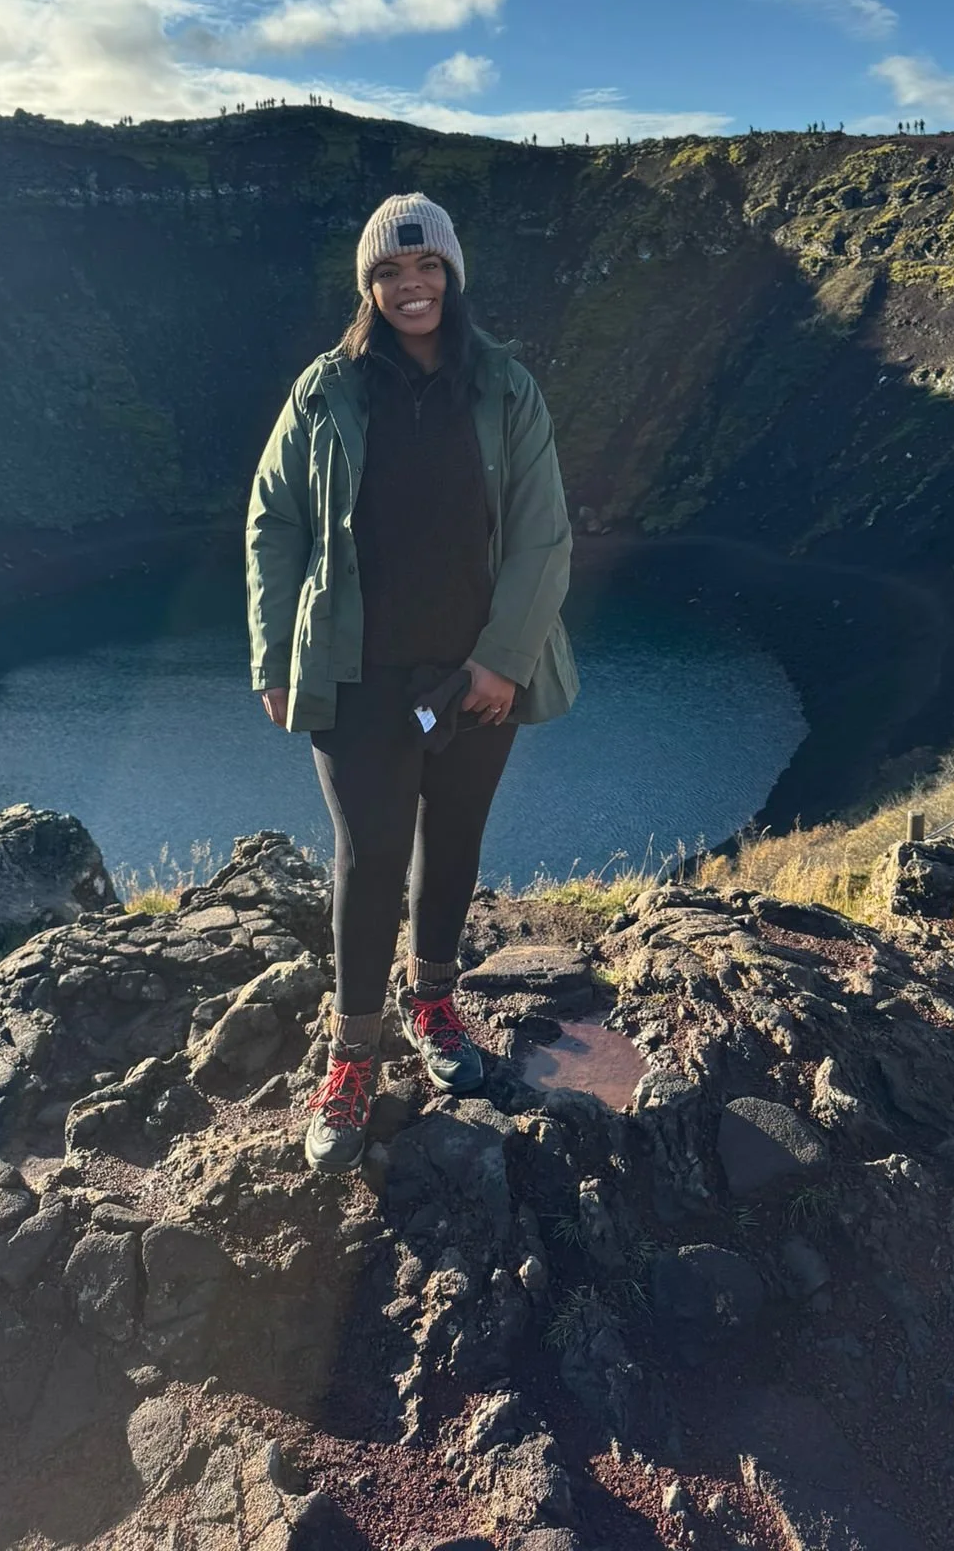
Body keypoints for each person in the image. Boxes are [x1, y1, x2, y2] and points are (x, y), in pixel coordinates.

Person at [246, 192, 579, 1174]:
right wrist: (273, 656)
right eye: (389, 273)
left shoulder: (507, 388)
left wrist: (502, 662)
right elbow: (273, 522)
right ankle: (352, 1057)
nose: (410, 286)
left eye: (426, 267)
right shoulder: (327, 390)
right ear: (369, 286)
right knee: (371, 853)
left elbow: (544, 535)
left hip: (478, 673)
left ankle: (433, 1003)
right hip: (357, 674)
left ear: (453, 274)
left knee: (456, 841)